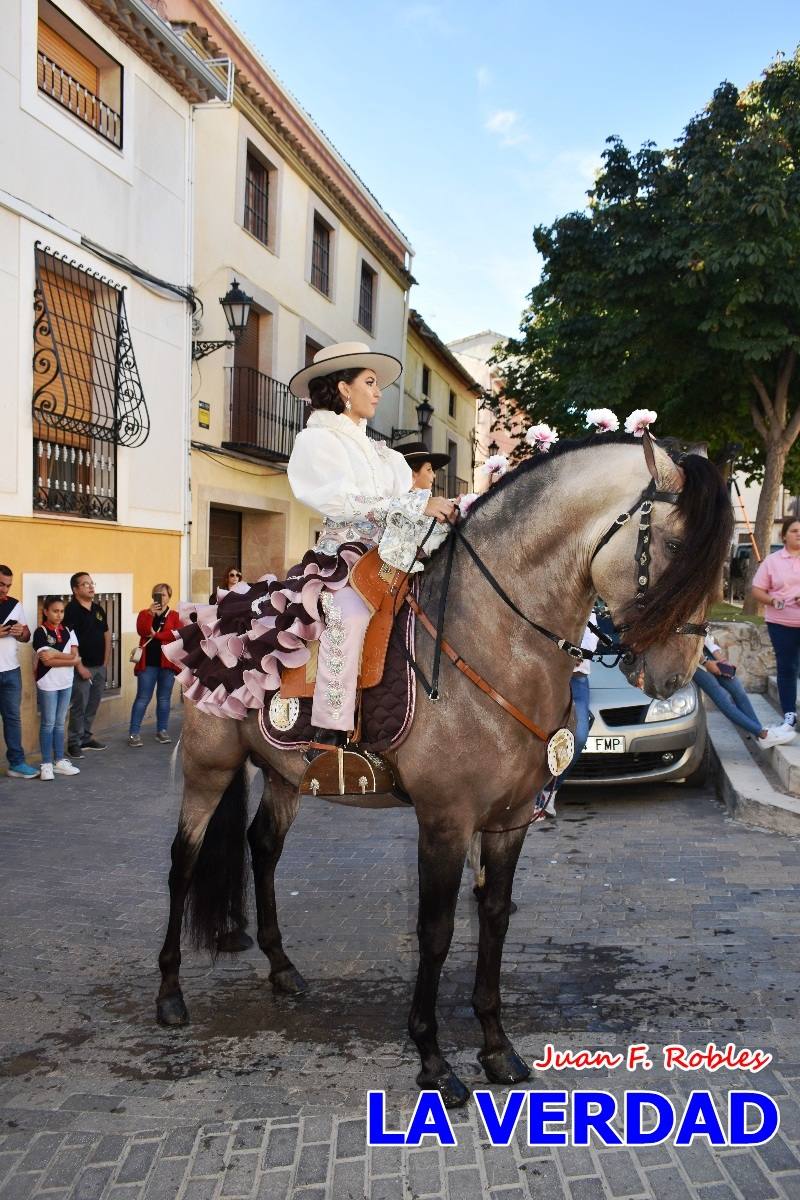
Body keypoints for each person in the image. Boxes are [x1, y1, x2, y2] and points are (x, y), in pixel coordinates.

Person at [164, 342, 455, 755]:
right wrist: (412, 504)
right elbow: (337, 501)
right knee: (347, 613)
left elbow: (407, 498)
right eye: (369, 383)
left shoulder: (381, 453)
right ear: (343, 388)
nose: (378, 392)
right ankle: (329, 730)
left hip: (389, 557)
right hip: (342, 559)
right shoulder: (316, 441)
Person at [693, 633, 792, 748]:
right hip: (692, 659)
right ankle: (762, 734)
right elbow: (682, 638)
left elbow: (704, 633)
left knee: (737, 688)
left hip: (706, 650)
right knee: (721, 696)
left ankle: (760, 732)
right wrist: (706, 662)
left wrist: (720, 658)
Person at [751, 517, 800, 739]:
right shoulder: (772, 561)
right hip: (781, 624)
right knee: (787, 668)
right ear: (784, 536)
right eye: (794, 531)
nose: (799, 534)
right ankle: (789, 715)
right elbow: (758, 590)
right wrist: (772, 601)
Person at [32, 596, 82, 781]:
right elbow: (46, 659)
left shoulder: (69, 631)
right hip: (48, 683)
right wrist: (68, 658)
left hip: (66, 682)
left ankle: (59, 761)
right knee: (48, 723)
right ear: (45, 611)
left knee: (60, 723)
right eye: (55, 611)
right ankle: (46, 764)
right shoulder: (40, 632)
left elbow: (76, 657)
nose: (59, 615)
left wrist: (59, 656)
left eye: (62, 611)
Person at [128, 584, 181, 747]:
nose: (160, 598)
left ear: (169, 597)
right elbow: (141, 630)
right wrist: (151, 614)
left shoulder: (174, 616)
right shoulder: (145, 613)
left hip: (167, 664)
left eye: (164, 595)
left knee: (164, 698)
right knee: (142, 698)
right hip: (148, 663)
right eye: (157, 595)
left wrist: (157, 635)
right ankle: (134, 733)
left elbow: (177, 635)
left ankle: (162, 730)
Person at [64, 573, 110, 757]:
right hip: (81, 667)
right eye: (85, 584)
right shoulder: (71, 611)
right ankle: (73, 743)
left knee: (93, 704)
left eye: (92, 583)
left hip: (99, 666)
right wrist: (79, 666)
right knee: (79, 706)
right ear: (75, 589)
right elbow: (69, 642)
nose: (91, 587)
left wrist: (105, 662)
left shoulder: (98, 609)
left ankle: (86, 737)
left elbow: (107, 634)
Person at [0, 565, 38, 779]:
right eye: (1, 584)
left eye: (8, 585)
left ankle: (16, 763)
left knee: (13, 719)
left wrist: (20, 632)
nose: (5, 590)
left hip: (11, 671)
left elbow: (26, 636)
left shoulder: (14, 605)